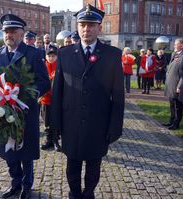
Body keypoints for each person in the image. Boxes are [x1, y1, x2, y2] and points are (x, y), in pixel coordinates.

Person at [51, 4, 125, 199]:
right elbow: (57, 91)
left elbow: (118, 96)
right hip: (71, 122)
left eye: (91, 25)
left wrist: (115, 127)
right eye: (82, 24)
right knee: (72, 166)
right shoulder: (64, 53)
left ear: (99, 27)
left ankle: (88, 194)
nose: (86, 29)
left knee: (94, 166)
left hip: (97, 123)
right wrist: (55, 125)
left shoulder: (112, 55)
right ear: (77, 26)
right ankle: (74, 194)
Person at [0, 14, 50, 199]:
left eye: (13, 31)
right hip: (3, 113)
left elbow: (44, 82)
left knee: (25, 151)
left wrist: (24, 97)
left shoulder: (33, 54)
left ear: (21, 33)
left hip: (26, 111)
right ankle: (15, 183)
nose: (9, 35)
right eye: (6, 32)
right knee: (8, 150)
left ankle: (26, 185)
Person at [40, 47, 62, 152]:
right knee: (46, 121)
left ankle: (56, 141)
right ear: (46, 56)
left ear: (57, 56)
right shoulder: (42, 67)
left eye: (53, 56)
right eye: (49, 56)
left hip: (56, 100)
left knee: (56, 120)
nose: (51, 58)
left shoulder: (60, 67)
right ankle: (48, 140)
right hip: (45, 100)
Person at [163, 38, 183, 130]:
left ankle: (176, 123)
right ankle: (171, 121)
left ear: (182, 45)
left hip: (177, 85)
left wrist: (180, 86)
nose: (174, 45)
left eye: (176, 44)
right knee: (172, 104)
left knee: (177, 106)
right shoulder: (174, 54)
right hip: (171, 84)